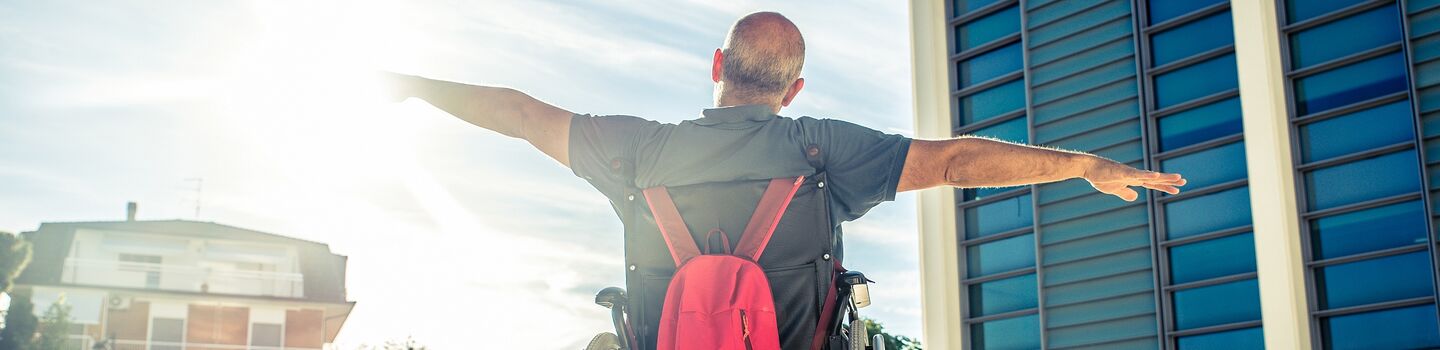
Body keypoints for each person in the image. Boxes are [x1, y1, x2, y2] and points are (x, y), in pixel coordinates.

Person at [381, 11, 1185, 349]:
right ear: (792, 90)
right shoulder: (821, 150)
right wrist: (1084, 165)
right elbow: (954, 159)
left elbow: (521, 113)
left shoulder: (634, 149)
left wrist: (410, 85)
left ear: (718, 67)